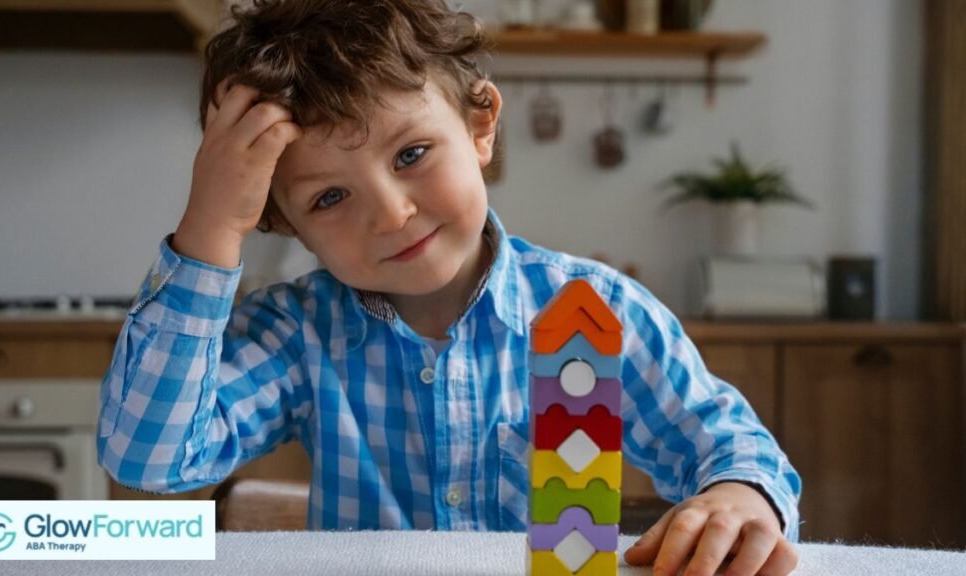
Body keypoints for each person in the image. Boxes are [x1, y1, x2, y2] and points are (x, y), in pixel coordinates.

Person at [96, 1, 801, 574]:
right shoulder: (299, 331)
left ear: (479, 125)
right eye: (329, 198)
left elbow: (731, 446)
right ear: (283, 223)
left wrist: (740, 494)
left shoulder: (594, 313)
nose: (392, 213)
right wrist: (213, 225)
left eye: (411, 154)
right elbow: (150, 463)